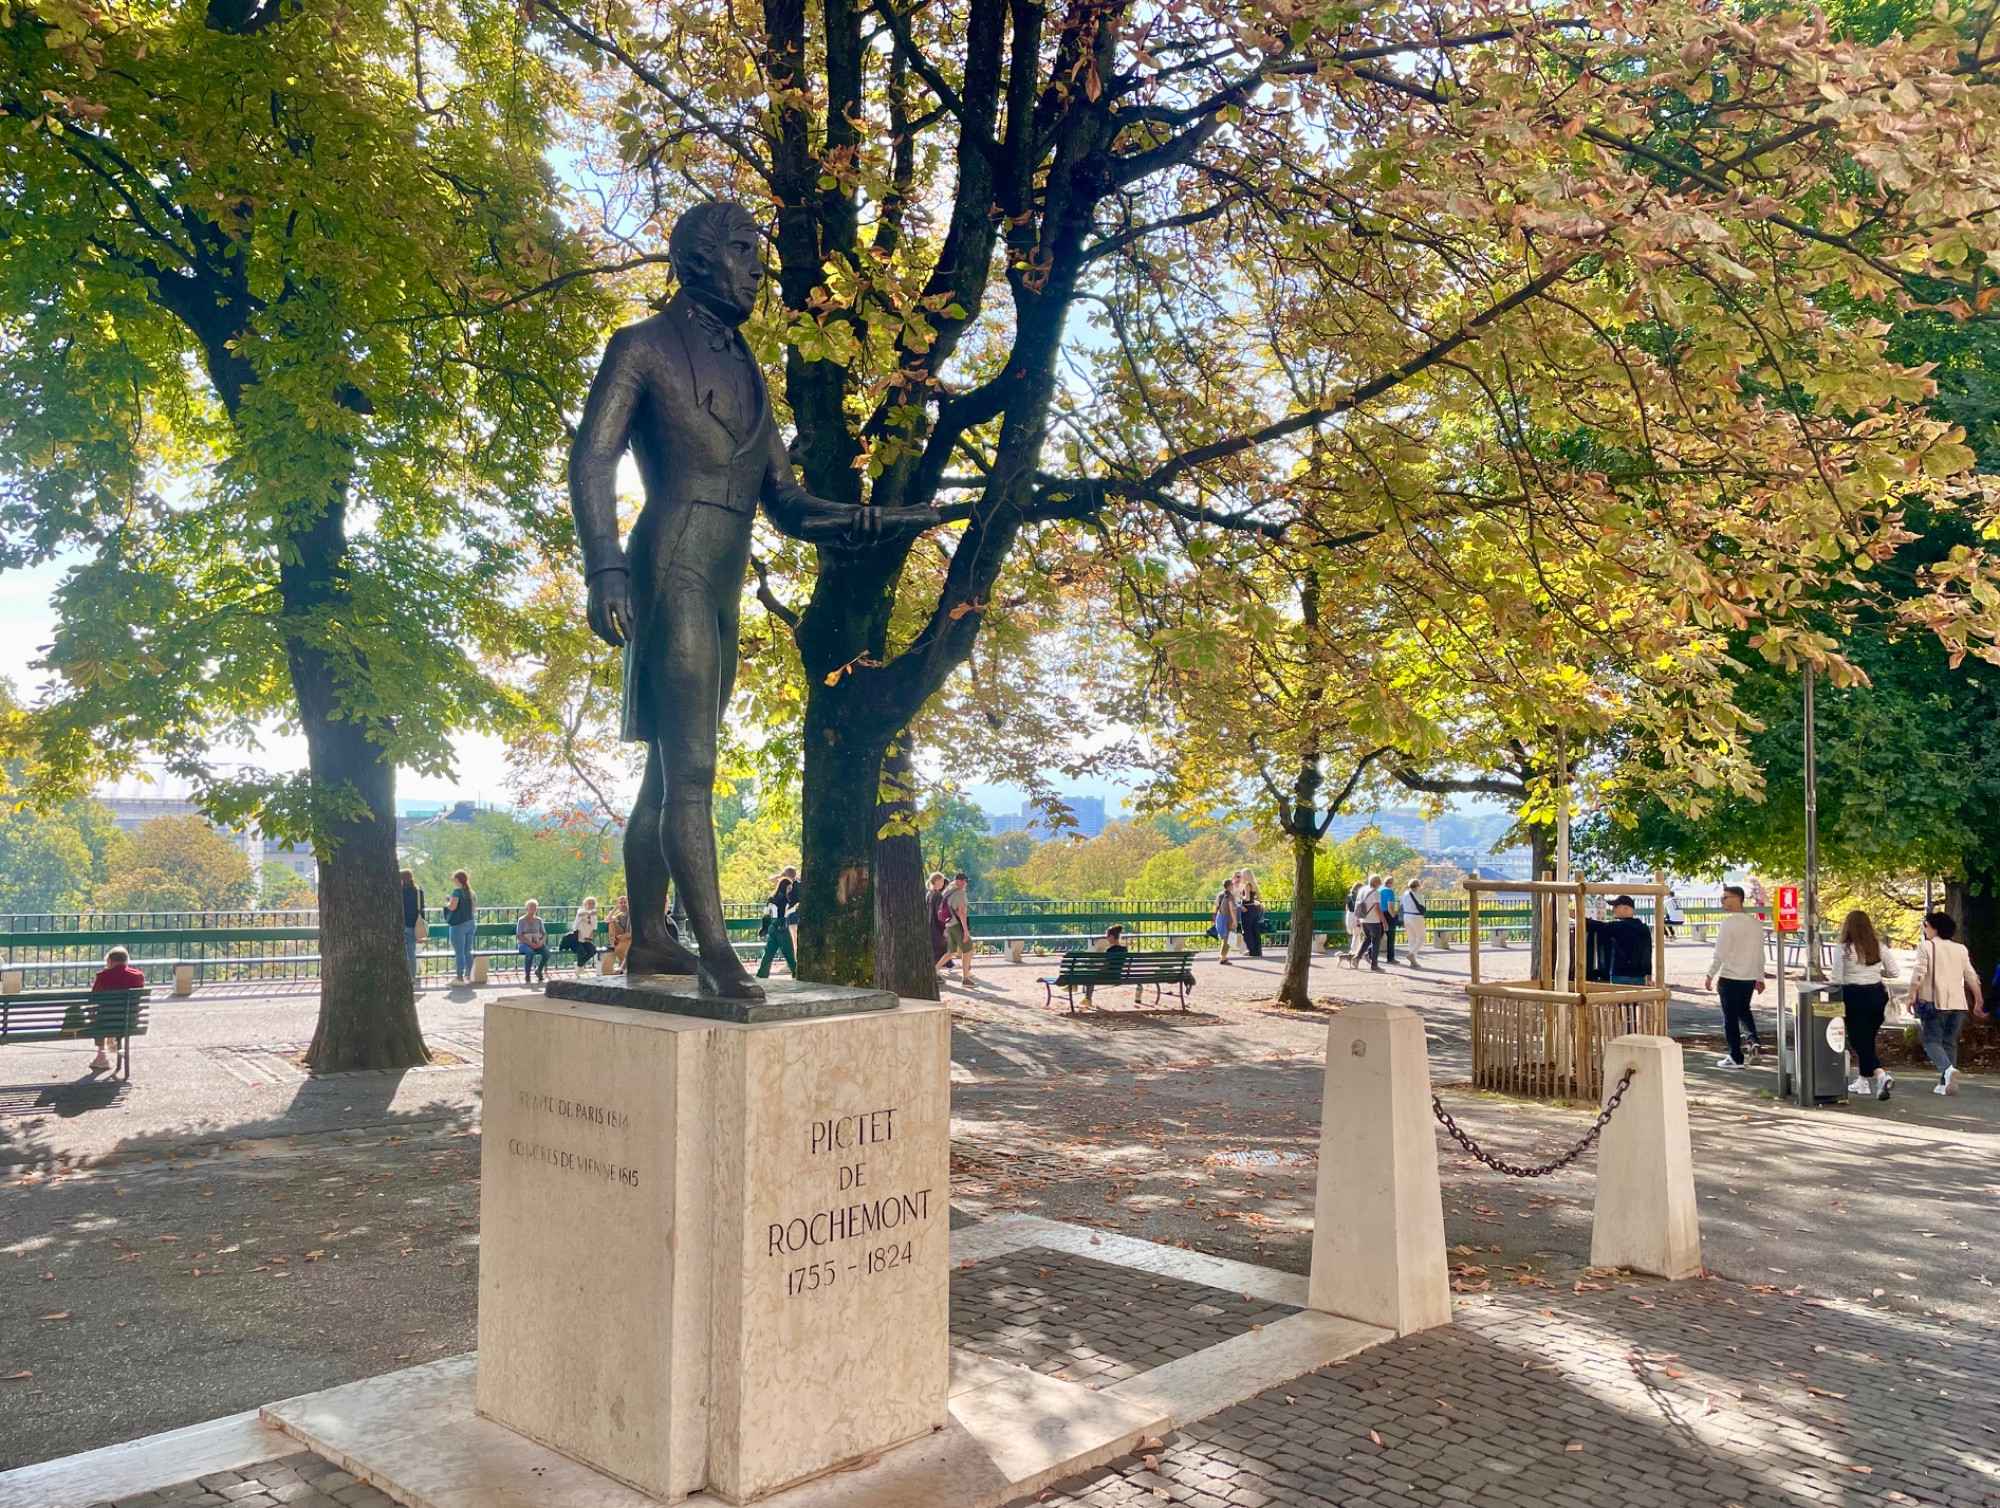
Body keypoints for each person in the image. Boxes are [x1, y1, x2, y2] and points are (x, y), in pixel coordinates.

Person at [1906, 911, 1986, 1096]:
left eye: (1926, 925)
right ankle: (1945, 1083)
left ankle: (1948, 1070)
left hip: (1935, 1002)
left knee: (1931, 1042)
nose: (1925, 929)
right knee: (1949, 1043)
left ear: (1934, 928)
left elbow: (1919, 973)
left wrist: (1911, 995)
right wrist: (1979, 1001)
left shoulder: (1926, 946)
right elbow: (1971, 977)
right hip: (1958, 1003)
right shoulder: (1961, 949)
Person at [1837, 909, 1901, 1101]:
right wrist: (1875, 974)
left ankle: (1881, 1075)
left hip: (1853, 996)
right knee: (1868, 1039)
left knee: (1857, 1040)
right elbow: (1895, 972)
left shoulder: (1843, 949)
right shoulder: (1879, 947)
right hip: (1876, 996)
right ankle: (1863, 1081)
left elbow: (1836, 977)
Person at [1702, 884, 1767, 1068]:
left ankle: (1735, 1056)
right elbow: (1759, 953)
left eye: (1725, 897)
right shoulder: (1755, 924)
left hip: (1730, 976)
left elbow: (1720, 952)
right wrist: (1759, 976)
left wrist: (1710, 974)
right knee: (1744, 1010)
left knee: (1730, 1017)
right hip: (1748, 977)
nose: (1722, 900)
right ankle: (1753, 1040)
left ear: (1738, 899)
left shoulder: (1728, 923)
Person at [86, 948, 145, 1073]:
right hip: (129, 1022)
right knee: (118, 1015)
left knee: (96, 1016)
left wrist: (92, 1014)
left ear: (111, 961)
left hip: (105, 1022)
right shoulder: (138, 976)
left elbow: (93, 999)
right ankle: (112, 1040)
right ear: (126, 961)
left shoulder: (103, 976)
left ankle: (101, 1056)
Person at [1587, 894, 1653, 985]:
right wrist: (1649, 976)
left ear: (1626, 908)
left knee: (1618, 998)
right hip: (1639, 975)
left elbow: (1597, 926)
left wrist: (1577, 916)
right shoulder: (1644, 928)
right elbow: (1648, 952)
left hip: (1620, 974)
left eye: (1616, 906)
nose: (1613, 909)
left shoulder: (1619, 927)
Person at [756, 866, 801, 979]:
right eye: (789, 887)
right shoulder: (785, 900)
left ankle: (762, 973)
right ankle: (795, 972)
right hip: (782, 927)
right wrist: (794, 908)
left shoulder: (772, 898)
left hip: (772, 927)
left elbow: (766, 912)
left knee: (769, 952)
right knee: (789, 952)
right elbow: (785, 913)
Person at [1085, 923, 1133, 1006]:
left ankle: (1087, 999)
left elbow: (1105, 966)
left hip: (1107, 975)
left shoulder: (1110, 950)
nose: (1106, 938)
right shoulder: (1124, 949)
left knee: (1090, 974)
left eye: (1107, 936)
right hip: (1118, 975)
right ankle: (1087, 999)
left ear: (1111, 937)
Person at [443, 869, 476, 983]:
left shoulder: (456, 892)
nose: (453, 881)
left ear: (457, 880)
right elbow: (474, 909)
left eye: (453, 879)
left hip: (458, 925)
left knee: (459, 952)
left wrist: (447, 901)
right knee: (468, 950)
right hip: (471, 923)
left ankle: (459, 976)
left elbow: (452, 907)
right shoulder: (471, 893)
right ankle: (468, 974)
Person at [945, 873, 975, 986]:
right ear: (962, 881)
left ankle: (935, 970)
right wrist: (966, 930)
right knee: (968, 948)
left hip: (949, 924)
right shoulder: (960, 893)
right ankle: (966, 977)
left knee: (952, 951)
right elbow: (962, 913)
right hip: (957, 924)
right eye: (966, 881)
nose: (967, 884)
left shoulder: (948, 891)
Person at [1354, 873, 1385, 971]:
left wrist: (1357, 918)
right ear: (1375, 882)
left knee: (1367, 939)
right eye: (1379, 882)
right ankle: (1374, 965)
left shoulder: (1362, 890)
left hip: (1363, 918)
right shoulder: (1375, 892)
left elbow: (1357, 905)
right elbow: (1377, 908)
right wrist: (1383, 920)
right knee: (1376, 941)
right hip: (1373, 920)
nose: (1379, 885)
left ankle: (1357, 957)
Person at [401, 869, 425, 988]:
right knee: (411, 953)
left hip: (401, 924)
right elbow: (422, 909)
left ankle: (401, 976)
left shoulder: (399, 892)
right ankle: (412, 977)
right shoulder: (418, 892)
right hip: (413, 924)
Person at [516, 900, 550, 984]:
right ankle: (527, 974)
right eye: (531, 907)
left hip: (537, 941)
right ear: (526, 908)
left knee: (547, 953)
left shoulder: (538, 920)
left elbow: (544, 933)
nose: (533, 909)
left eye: (535, 907)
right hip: (524, 942)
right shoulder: (521, 920)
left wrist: (541, 941)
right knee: (530, 953)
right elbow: (519, 935)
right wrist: (530, 943)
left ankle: (539, 970)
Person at [927, 872, 951, 974]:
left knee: (935, 951)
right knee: (941, 951)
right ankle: (935, 973)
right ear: (936, 881)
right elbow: (940, 914)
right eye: (941, 880)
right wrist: (944, 928)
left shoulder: (929, 894)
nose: (943, 883)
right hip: (937, 928)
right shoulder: (938, 896)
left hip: (930, 926)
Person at [1238, 871, 1265, 958]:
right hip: (1254, 909)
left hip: (1247, 909)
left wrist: (1240, 896)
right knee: (1255, 930)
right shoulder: (1255, 885)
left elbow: (1247, 898)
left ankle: (1251, 950)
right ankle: (1258, 951)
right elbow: (1257, 898)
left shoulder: (1247, 885)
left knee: (1247, 930)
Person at [1402, 878, 1427, 967]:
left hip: (1406, 916)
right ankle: (1412, 954)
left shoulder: (1404, 894)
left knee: (1412, 938)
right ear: (1417, 886)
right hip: (1416, 916)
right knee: (1421, 938)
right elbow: (1422, 907)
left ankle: (1413, 961)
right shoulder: (1418, 895)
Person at [1213, 878, 1239, 965]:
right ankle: (1223, 957)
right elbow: (1232, 909)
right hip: (1227, 919)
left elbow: (1216, 906)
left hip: (1220, 917)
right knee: (1227, 938)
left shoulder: (1220, 895)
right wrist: (1235, 921)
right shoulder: (1230, 897)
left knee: (1226, 938)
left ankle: (1222, 955)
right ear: (1230, 886)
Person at [1378, 875, 1401, 966]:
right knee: (1390, 937)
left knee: (1378, 936)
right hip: (1387, 914)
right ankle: (1390, 958)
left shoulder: (1378, 889)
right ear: (1390, 883)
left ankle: (1370, 953)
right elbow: (1390, 906)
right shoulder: (1389, 892)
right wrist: (1393, 916)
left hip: (1378, 913)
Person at [606, 895, 633, 974]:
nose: (623, 904)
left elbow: (632, 933)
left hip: (629, 938)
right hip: (620, 938)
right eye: (621, 903)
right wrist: (615, 909)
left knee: (619, 950)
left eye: (625, 902)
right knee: (611, 922)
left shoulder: (632, 915)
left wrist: (621, 937)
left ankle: (625, 968)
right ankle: (613, 942)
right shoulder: (620, 916)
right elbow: (607, 920)